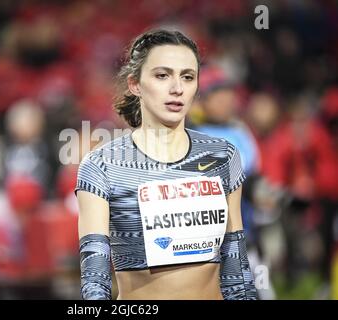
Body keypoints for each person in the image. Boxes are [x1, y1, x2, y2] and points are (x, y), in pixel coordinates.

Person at [75, 29, 257, 300]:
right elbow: (95, 279)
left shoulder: (223, 156)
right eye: (162, 75)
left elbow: (236, 267)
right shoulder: (102, 166)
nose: (177, 88)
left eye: (188, 76)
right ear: (135, 84)